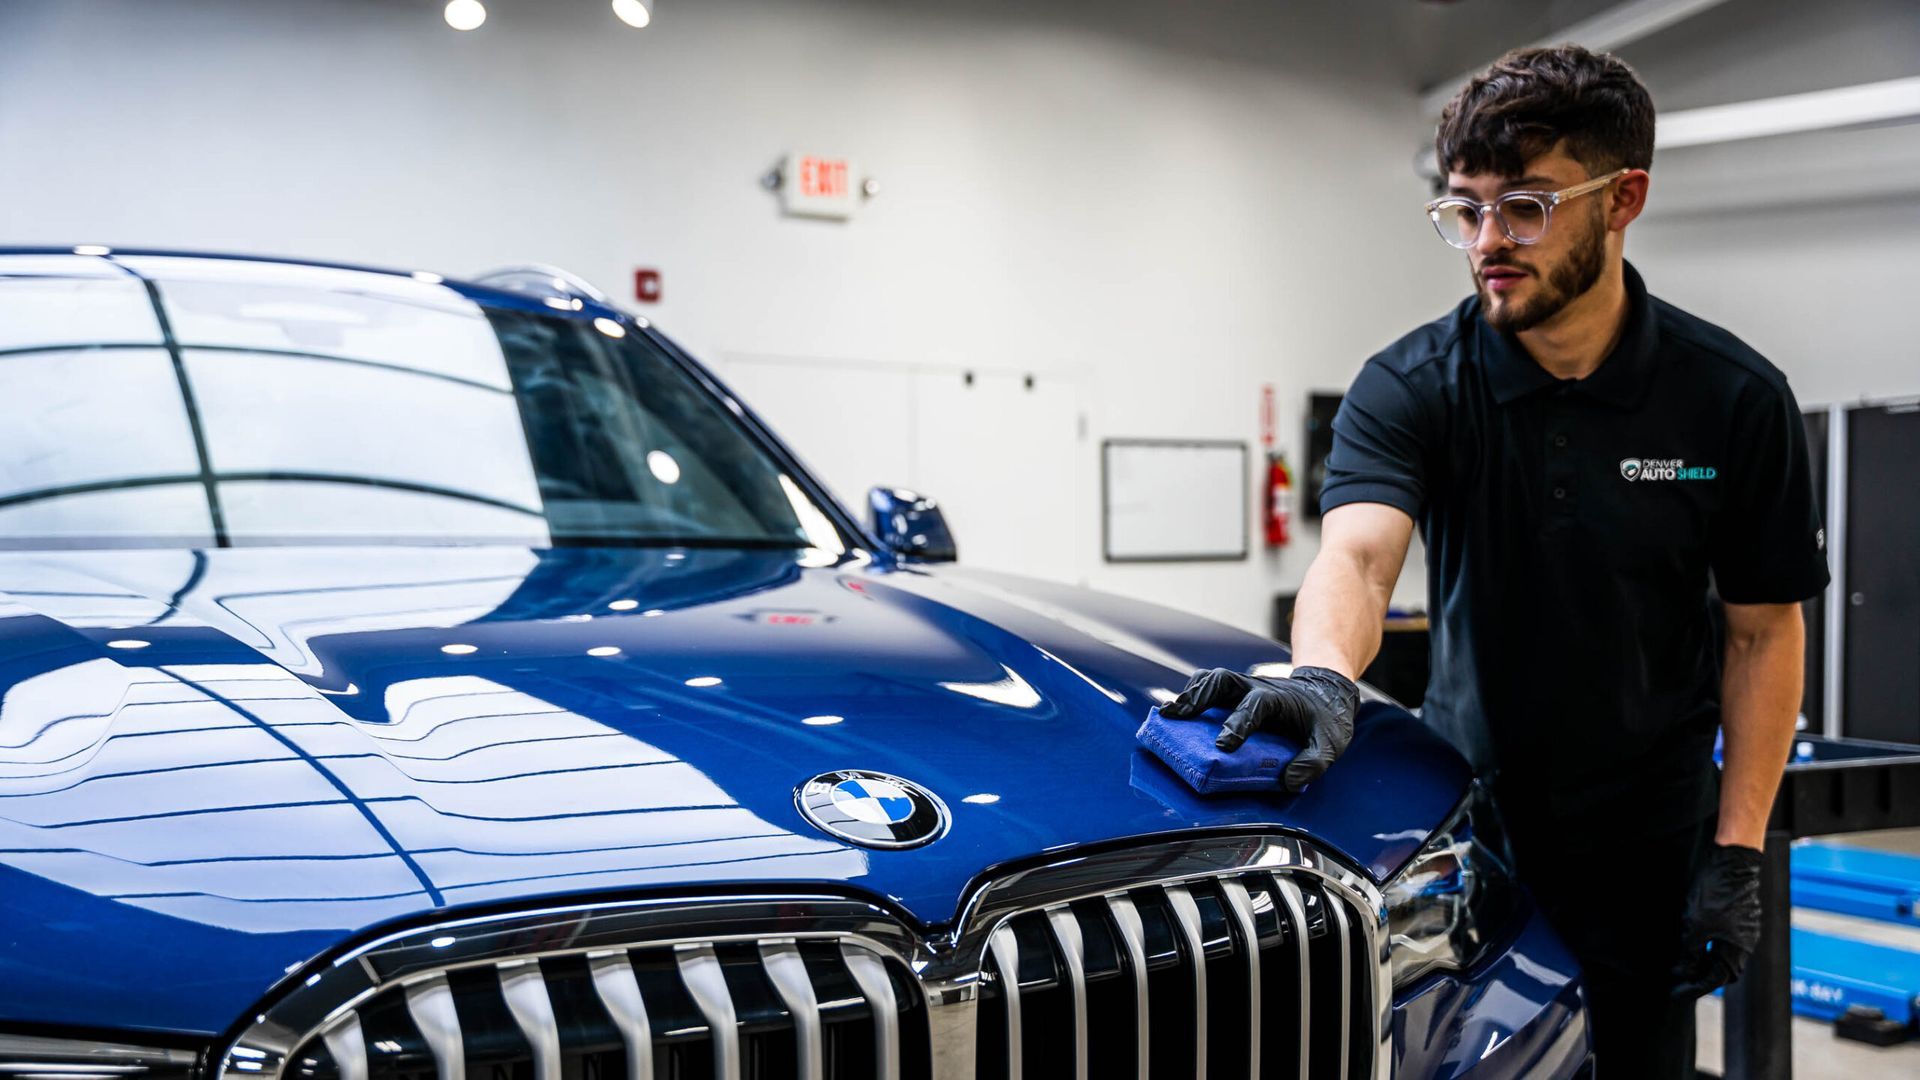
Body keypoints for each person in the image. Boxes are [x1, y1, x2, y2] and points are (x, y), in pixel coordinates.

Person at [1161, 44, 1827, 1074]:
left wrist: (1737, 852)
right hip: (1469, 825)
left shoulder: (1733, 399)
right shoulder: (1415, 382)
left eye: (1525, 206)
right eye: (1463, 209)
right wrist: (1324, 676)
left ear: (1623, 199)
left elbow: (1762, 629)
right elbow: (1360, 558)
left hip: (1650, 839)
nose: (1486, 241)